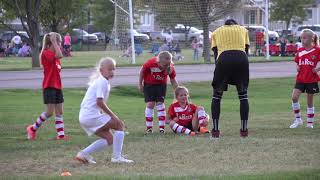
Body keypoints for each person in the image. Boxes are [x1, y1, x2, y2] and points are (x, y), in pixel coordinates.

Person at [76, 57, 134, 164]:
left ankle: (83, 154)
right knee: (119, 125)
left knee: (109, 139)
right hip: (90, 116)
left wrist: (106, 115)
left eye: (114, 69)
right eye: (109, 69)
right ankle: (117, 158)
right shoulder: (102, 82)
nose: (112, 72)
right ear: (101, 70)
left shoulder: (103, 82)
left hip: (84, 117)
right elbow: (99, 102)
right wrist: (113, 116)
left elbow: (97, 103)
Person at [210, 19, 250, 138]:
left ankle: (216, 130)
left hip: (224, 58)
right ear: (235, 24)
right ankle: (244, 130)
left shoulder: (216, 32)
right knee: (243, 95)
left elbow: (216, 52)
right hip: (242, 58)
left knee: (217, 95)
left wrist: (219, 69)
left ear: (225, 25)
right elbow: (246, 50)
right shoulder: (243, 30)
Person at [26, 32, 67, 140]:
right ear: (51, 43)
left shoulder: (55, 56)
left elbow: (59, 56)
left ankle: (61, 136)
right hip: (49, 86)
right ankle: (32, 129)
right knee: (49, 112)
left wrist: (55, 43)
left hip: (58, 86)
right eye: (59, 43)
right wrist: (54, 41)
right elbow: (59, 55)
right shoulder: (46, 53)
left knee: (60, 112)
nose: (60, 45)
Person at [139, 51, 178, 134]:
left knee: (160, 104)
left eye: (168, 65)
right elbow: (142, 72)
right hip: (149, 85)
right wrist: (140, 84)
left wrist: (177, 91)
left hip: (161, 86)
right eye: (164, 65)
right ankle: (149, 128)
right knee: (150, 104)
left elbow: (173, 80)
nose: (165, 67)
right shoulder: (150, 63)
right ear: (159, 61)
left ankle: (162, 129)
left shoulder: (170, 67)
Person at [289, 29, 320, 129]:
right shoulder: (300, 50)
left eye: (304, 38)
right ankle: (298, 120)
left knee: (309, 102)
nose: (302, 40)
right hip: (301, 79)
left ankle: (310, 123)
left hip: (311, 79)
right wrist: (298, 66)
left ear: (311, 38)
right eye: (301, 38)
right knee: (294, 97)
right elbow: (298, 61)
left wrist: (317, 69)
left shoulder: (317, 50)